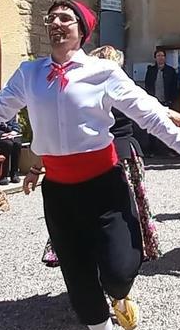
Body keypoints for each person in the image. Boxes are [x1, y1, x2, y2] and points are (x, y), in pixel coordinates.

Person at [0, 1, 180, 330]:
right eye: (52, 18)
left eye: (65, 18)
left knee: (119, 268)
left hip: (104, 185)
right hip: (60, 191)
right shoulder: (30, 74)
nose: (56, 23)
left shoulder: (102, 72)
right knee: (78, 278)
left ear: (82, 29)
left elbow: (146, 111)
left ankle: (121, 292)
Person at [42, 45, 171, 266]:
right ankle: (113, 263)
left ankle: (110, 264)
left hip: (115, 152)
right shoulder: (102, 86)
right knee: (117, 210)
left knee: (107, 209)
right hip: (108, 155)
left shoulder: (93, 87)